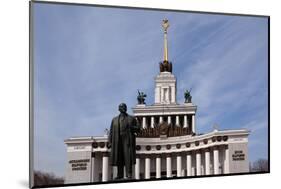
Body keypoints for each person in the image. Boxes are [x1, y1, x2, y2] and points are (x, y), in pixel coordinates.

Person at [108, 103, 140, 179]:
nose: (124, 108)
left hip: (127, 140)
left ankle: (129, 174)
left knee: (127, 157)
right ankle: (120, 174)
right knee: (119, 157)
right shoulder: (114, 120)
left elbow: (138, 128)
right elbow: (111, 132)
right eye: (122, 107)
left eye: (125, 107)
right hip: (117, 141)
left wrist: (132, 127)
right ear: (119, 109)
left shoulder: (131, 118)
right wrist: (110, 142)